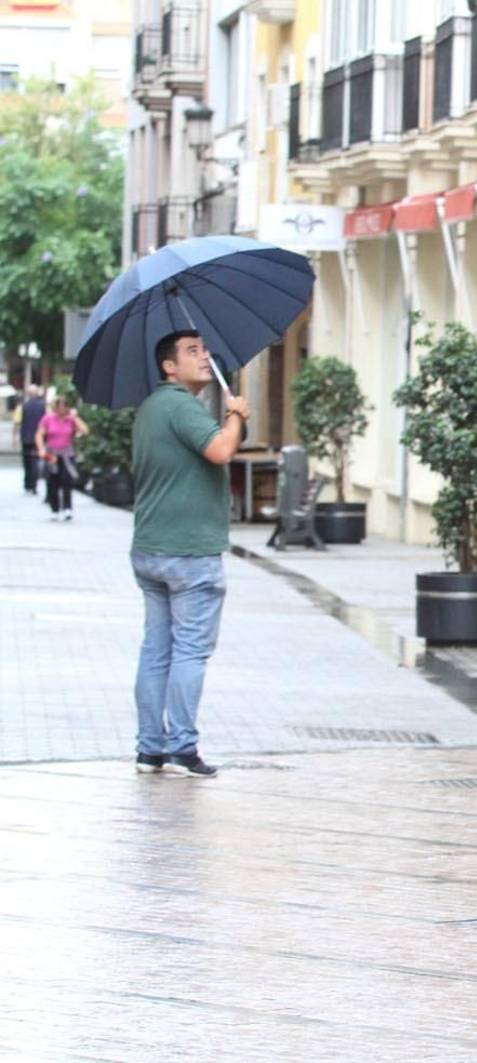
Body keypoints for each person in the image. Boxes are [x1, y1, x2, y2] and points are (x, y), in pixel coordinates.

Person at [129, 330, 250, 777]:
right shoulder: (181, 405)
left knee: (156, 649)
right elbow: (220, 450)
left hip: (150, 547)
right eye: (192, 352)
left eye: (205, 350)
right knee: (190, 652)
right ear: (169, 366)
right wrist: (235, 415)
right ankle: (181, 746)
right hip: (189, 553)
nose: (205, 358)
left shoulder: (150, 408)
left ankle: (149, 749)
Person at [35, 394, 89, 521]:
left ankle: (67, 508)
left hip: (66, 455)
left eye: (63, 406)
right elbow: (39, 434)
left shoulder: (70, 419)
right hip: (52, 455)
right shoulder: (48, 419)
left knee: (67, 482)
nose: (61, 409)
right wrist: (41, 448)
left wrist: (75, 417)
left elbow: (85, 431)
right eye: (59, 406)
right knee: (52, 482)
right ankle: (54, 509)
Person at [16, 385, 46, 494]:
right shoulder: (42, 406)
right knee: (35, 462)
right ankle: (33, 484)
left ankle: (28, 484)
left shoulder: (23, 405)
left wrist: (16, 437)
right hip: (38, 438)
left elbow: (18, 422)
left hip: (26, 438)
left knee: (27, 462)